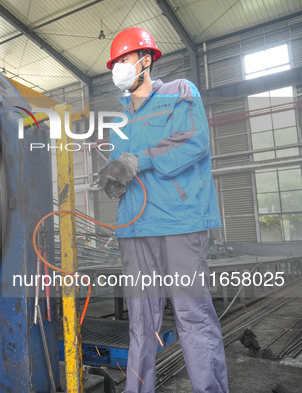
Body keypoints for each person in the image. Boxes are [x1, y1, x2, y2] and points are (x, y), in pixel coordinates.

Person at [97, 27, 229, 392]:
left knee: (192, 316)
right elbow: (120, 164)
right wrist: (114, 177)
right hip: (135, 230)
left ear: (145, 59)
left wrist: (138, 160)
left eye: (124, 60)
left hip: (178, 224)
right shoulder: (119, 121)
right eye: (115, 63)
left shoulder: (179, 92)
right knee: (141, 323)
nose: (118, 69)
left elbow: (193, 144)